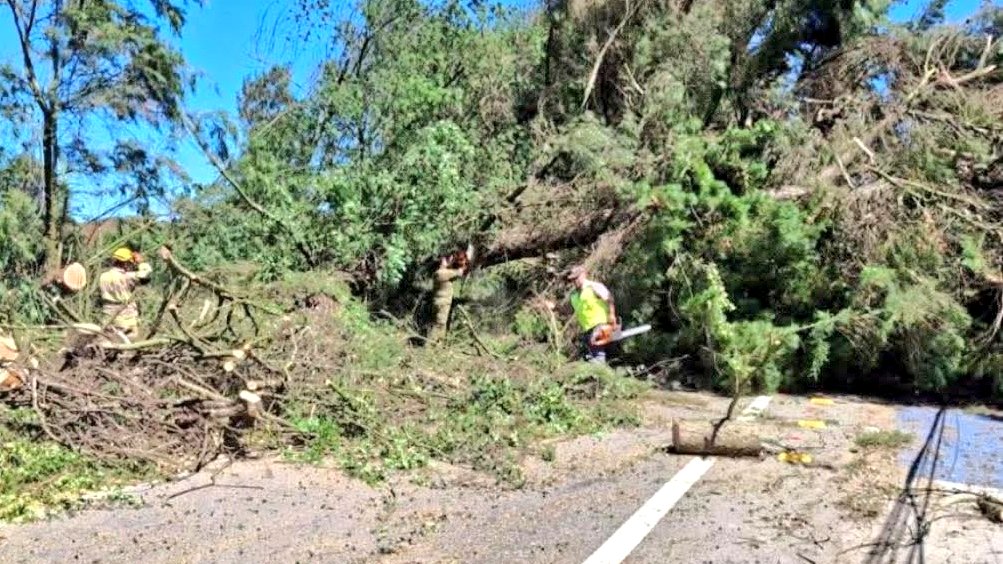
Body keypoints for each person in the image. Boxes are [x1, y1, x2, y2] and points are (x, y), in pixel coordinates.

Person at [98, 246, 152, 342]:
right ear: (125, 263)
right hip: (126, 317)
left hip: (107, 315)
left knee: (109, 340)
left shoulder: (103, 276)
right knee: (131, 339)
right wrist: (140, 263)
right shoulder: (127, 278)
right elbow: (146, 275)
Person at [567, 265, 618, 363]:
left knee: (597, 353)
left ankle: (600, 370)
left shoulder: (594, 286)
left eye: (576, 278)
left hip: (601, 325)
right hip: (587, 330)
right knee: (593, 354)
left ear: (584, 275)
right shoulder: (574, 295)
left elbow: (609, 298)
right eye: (573, 279)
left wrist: (612, 315)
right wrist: (554, 307)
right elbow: (569, 310)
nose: (575, 281)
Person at [428, 250, 469, 342]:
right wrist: (464, 262)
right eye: (446, 260)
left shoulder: (438, 273)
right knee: (440, 324)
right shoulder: (444, 273)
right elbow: (460, 272)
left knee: (437, 323)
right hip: (443, 303)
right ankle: (432, 346)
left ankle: (435, 345)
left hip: (437, 301)